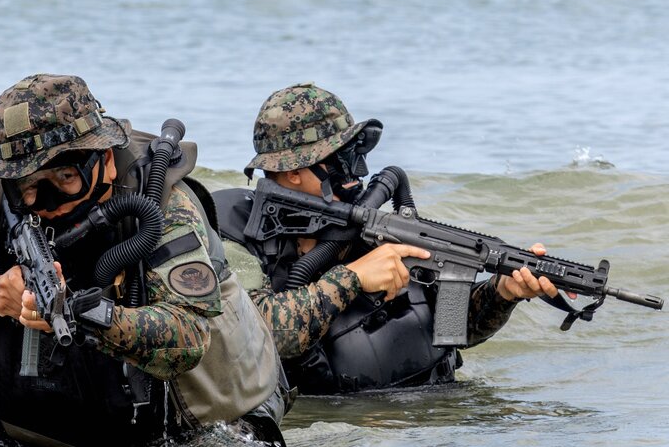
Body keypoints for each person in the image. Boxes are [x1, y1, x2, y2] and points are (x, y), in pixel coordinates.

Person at [0, 74, 289, 447]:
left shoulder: (162, 205)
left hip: (192, 434)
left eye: (66, 177)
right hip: (36, 442)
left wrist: (90, 318)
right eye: (28, 185)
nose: (45, 202)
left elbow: (188, 338)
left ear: (106, 161)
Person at [213, 83, 558, 394]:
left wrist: (502, 292)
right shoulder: (236, 236)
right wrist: (353, 277)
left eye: (357, 154)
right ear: (293, 172)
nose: (358, 172)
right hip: (338, 430)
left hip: (434, 413)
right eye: (342, 159)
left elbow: (450, 327)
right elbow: (255, 334)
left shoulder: (365, 224)